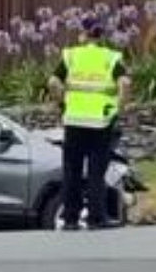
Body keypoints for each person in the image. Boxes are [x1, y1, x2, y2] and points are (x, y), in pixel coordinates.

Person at [48, 17, 130, 230]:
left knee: (72, 172)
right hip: (101, 123)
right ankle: (96, 218)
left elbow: (53, 82)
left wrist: (62, 102)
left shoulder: (72, 56)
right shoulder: (110, 58)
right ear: (101, 36)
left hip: (74, 121)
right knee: (96, 172)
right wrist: (119, 107)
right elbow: (125, 83)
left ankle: (70, 219)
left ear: (82, 34)